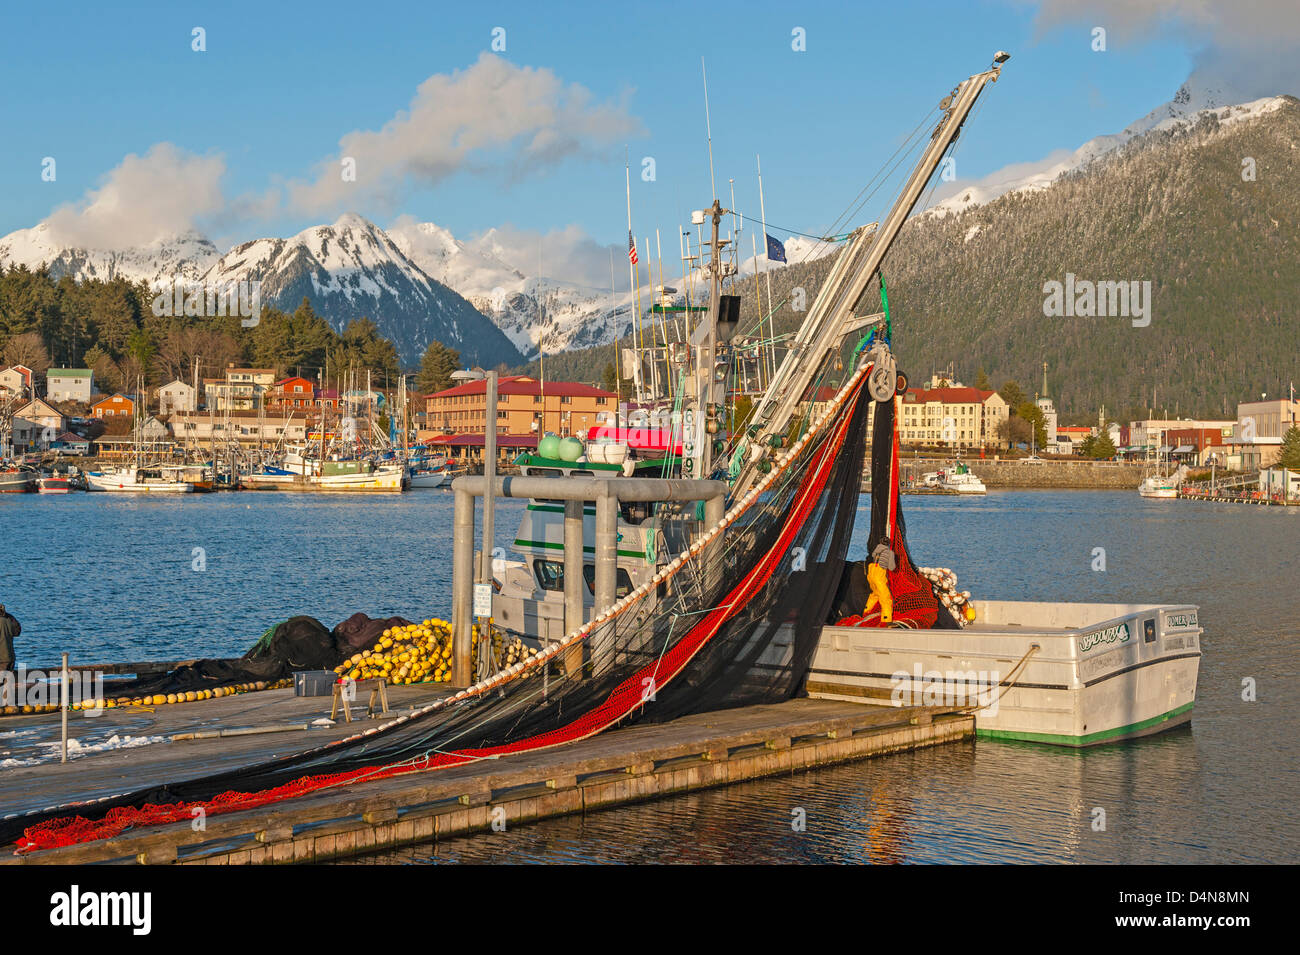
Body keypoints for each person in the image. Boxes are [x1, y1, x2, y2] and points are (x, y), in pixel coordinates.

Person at [0, 604, 19, 677]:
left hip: (1, 660)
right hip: (10, 658)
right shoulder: (9, 620)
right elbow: (17, 632)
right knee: (8, 683)